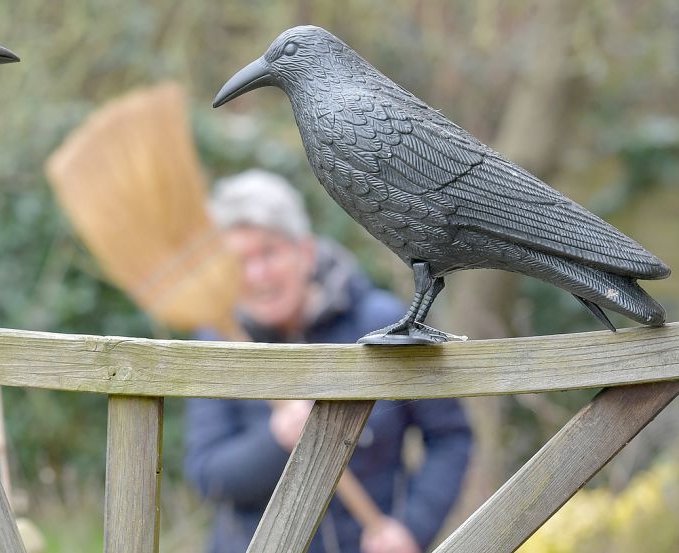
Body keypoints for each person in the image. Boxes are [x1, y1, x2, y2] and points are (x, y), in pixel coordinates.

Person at [184, 170, 472, 553]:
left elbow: (450, 436)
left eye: (269, 252)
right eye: (240, 261)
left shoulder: (382, 324)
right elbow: (208, 475)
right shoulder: (218, 338)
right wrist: (277, 441)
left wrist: (412, 528)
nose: (257, 275)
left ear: (304, 252)